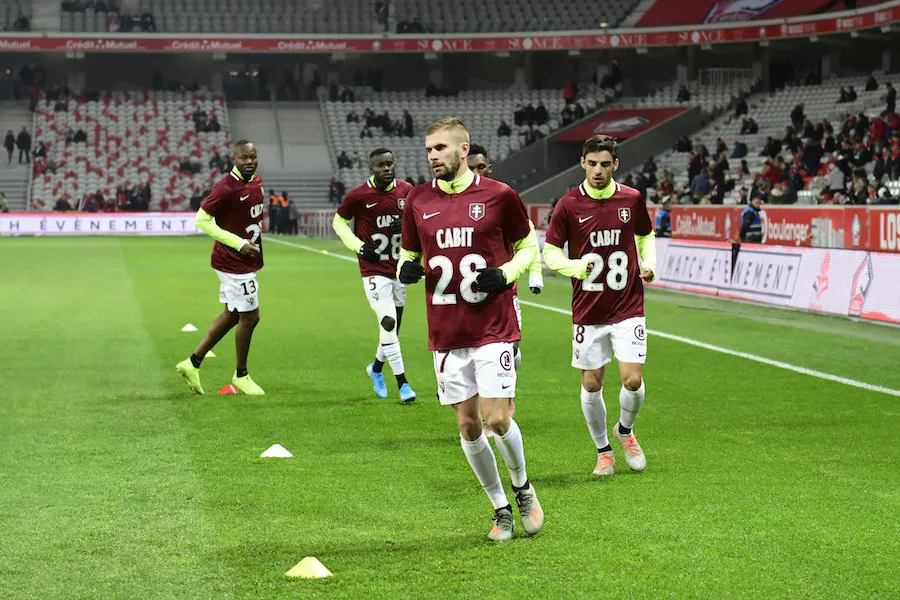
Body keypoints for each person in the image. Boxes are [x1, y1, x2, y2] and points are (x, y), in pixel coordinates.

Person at [398, 118, 543, 541]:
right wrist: (406, 268)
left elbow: (529, 244)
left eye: (440, 148)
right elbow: (410, 253)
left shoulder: (500, 196)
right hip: (446, 331)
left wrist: (507, 272)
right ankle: (499, 507)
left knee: (497, 419)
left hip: (493, 326)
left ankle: (523, 487)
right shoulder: (418, 200)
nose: (432, 156)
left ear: (464, 150)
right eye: (428, 150)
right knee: (468, 426)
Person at [542, 134, 656, 478]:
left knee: (632, 380)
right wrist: (575, 267)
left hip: (627, 305)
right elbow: (549, 252)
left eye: (605, 164)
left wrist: (647, 263)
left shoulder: (632, 199)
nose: (598, 170)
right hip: (589, 309)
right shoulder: (568, 205)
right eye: (592, 164)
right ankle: (603, 450)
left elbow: (645, 234)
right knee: (592, 384)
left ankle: (625, 431)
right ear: (582, 163)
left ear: (615, 165)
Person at [175, 140, 266, 396]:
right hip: (234, 263)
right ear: (233, 159)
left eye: (253, 156)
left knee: (233, 314)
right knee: (251, 317)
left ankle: (192, 363)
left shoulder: (256, 181)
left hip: (245, 260)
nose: (249, 161)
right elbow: (202, 219)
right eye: (244, 157)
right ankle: (241, 375)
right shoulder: (226, 187)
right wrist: (238, 243)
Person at [332, 148, 417, 403]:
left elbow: (417, 219)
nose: (387, 168)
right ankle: (403, 384)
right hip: (373, 269)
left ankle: (376, 370)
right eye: (381, 165)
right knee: (388, 322)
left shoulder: (406, 190)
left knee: (392, 329)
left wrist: (407, 223)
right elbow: (338, 222)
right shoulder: (359, 195)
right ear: (372, 168)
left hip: (399, 267)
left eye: (390, 163)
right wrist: (359, 247)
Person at [467, 143, 543, 370]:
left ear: (490, 168)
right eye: (471, 168)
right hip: (464, 291)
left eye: (481, 167)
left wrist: (534, 275)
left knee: (510, 348)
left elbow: (527, 241)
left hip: (503, 290)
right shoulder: (453, 203)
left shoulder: (503, 199)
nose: (477, 173)